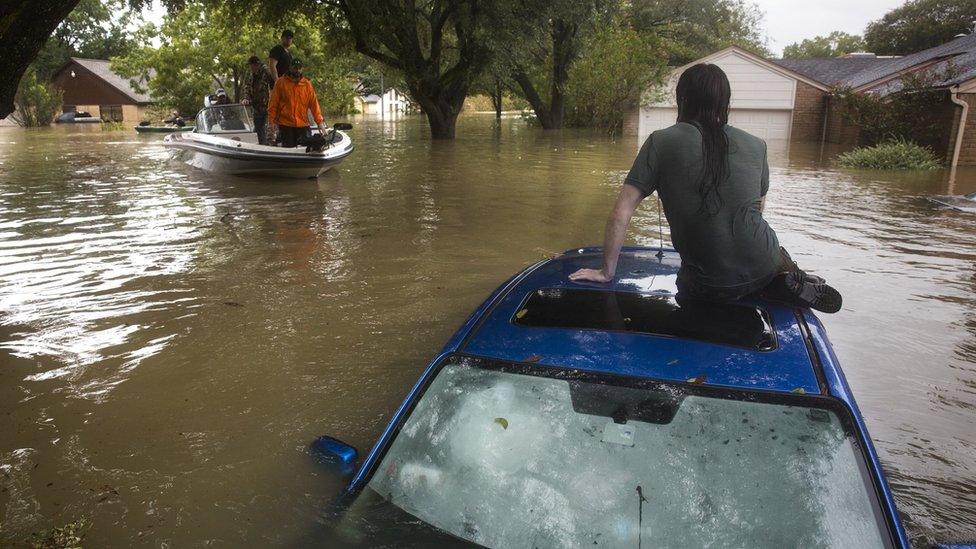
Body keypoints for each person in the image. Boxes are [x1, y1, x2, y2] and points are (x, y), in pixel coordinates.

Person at [569, 64, 842, 314]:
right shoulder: (756, 144)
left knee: (697, 289)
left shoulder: (661, 141)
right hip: (765, 259)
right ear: (725, 102)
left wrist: (606, 271)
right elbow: (758, 208)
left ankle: (757, 285)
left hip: (707, 284)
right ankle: (782, 281)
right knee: (768, 256)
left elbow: (621, 212)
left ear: (682, 99)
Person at [268, 58, 326, 148]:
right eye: (295, 68)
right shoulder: (280, 83)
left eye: (299, 68)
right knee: (288, 150)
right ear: (290, 68)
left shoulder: (307, 84)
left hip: (303, 124)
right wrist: (271, 123)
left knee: (308, 148)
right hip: (286, 124)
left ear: (302, 69)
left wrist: (320, 123)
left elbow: (314, 105)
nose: (297, 70)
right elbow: (273, 104)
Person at [242, 55, 276, 145]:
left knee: (270, 129)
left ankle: (271, 146)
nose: (251, 68)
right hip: (257, 107)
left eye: (252, 66)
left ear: (257, 65)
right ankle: (262, 146)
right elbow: (247, 87)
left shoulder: (266, 72)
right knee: (258, 128)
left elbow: (274, 84)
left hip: (269, 106)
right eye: (250, 66)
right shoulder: (251, 75)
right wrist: (246, 98)